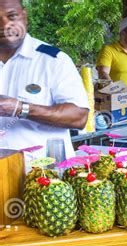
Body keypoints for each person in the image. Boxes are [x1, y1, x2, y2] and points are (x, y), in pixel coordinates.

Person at [0, 0, 89, 161]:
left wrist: (20, 108)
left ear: (24, 16)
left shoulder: (53, 60)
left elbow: (79, 117)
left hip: (41, 176)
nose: (5, 25)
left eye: (12, 16)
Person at [96, 17, 127, 120]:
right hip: (115, 107)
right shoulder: (108, 50)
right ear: (123, 34)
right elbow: (103, 74)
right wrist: (117, 96)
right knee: (118, 135)